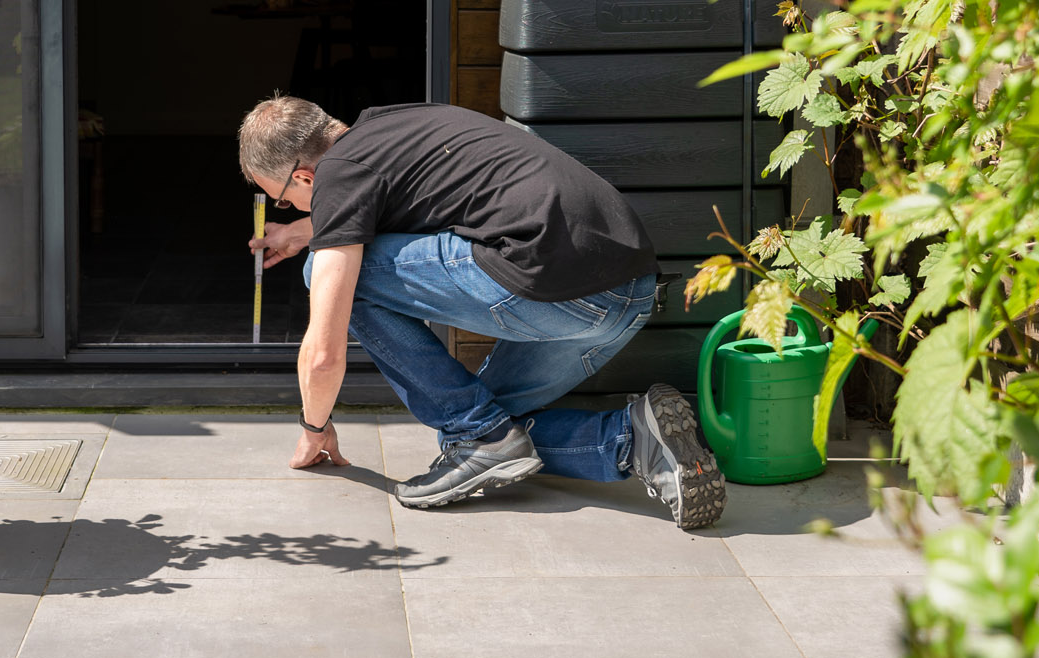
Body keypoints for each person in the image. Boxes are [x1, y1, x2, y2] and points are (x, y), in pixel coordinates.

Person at [240, 94, 725, 529]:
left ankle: (482, 435)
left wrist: (314, 427)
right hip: (630, 292)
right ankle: (631, 438)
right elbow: (374, 205)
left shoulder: (339, 173)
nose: (290, 204)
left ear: (303, 176)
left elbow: (324, 352)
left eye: (283, 198)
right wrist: (303, 229)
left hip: (561, 295)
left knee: (328, 280)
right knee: (485, 429)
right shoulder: (399, 123)